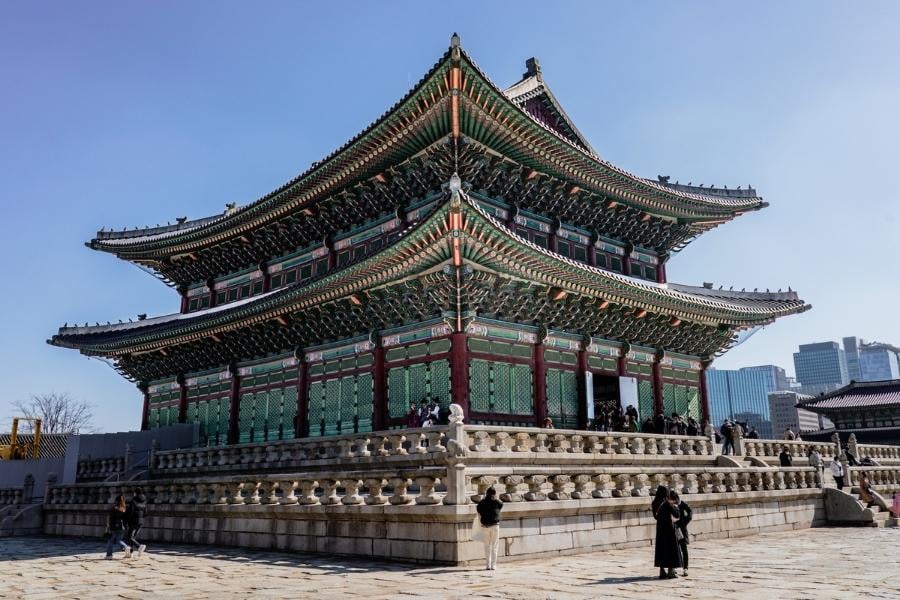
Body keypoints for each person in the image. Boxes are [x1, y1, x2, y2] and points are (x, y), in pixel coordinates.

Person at [651, 485, 681, 579]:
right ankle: (671, 571)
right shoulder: (667, 503)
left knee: (661, 549)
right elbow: (677, 514)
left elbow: (655, 517)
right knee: (671, 549)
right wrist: (675, 505)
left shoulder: (654, 503)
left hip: (660, 529)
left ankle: (662, 571)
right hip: (669, 528)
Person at [476, 487, 503, 571]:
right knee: (494, 546)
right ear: (494, 494)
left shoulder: (482, 502)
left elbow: (478, 510)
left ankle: (488, 565)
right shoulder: (497, 502)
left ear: (486, 493)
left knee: (486, 546)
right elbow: (501, 505)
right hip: (495, 526)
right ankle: (493, 565)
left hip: (485, 526)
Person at [670, 489, 692, 577]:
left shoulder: (682, 504)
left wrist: (686, 521)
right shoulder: (670, 505)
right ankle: (674, 567)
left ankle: (685, 567)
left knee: (684, 548)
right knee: (675, 548)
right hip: (674, 529)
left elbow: (690, 511)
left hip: (681, 529)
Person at [105, 494, 132, 559]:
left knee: (110, 541)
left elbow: (111, 518)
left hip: (114, 526)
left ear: (116, 500)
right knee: (119, 540)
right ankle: (127, 548)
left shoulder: (114, 508)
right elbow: (127, 518)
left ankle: (109, 555)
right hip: (122, 527)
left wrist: (108, 526)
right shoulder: (125, 508)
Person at [125, 488, 147, 558]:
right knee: (132, 538)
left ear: (136, 493)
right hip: (141, 522)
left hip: (133, 521)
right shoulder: (144, 501)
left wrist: (127, 521)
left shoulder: (133, 501)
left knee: (129, 537)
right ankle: (130, 553)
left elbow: (130, 513)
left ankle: (139, 546)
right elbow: (145, 512)